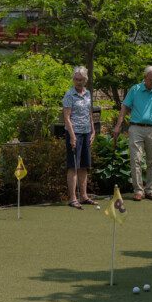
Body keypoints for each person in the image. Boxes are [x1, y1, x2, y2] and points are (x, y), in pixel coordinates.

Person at [112, 66, 152, 201]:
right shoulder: (135, 89)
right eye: (151, 79)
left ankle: (150, 189)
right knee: (135, 159)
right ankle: (138, 191)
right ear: (145, 78)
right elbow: (124, 107)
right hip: (136, 128)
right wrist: (118, 126)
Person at [62, 66, 97, 209]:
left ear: (85, 80)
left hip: (86, 132)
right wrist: (72, 136)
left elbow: (89, 114)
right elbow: (66, 117)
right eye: (76, 79)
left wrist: (93, 131)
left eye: (81, 80)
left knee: (84, 166)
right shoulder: (69, 95)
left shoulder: (88, 93)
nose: (78, 82)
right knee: (73, 166)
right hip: (74, 133)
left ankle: (84, 196)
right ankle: (72, 198)